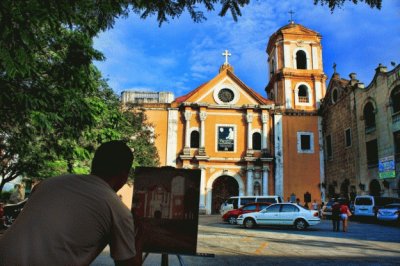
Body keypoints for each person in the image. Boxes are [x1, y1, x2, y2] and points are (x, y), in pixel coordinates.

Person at [0, 140, 137, 265]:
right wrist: (141, 238)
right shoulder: (118, 210)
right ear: (124, 176)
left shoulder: (48, 184)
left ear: (94, 165)